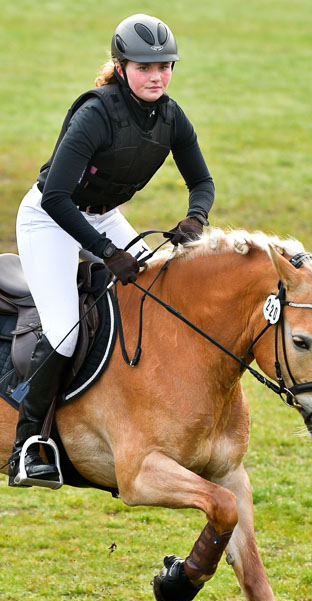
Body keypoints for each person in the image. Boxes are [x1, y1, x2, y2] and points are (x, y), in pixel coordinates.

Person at [9, 13, 215, 487]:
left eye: (165, 66)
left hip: (101, 215)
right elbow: (57, 197)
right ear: (121, 67)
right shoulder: (95, 113)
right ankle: (27, 447)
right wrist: (105, 250)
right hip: (49, 219)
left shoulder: (171, 116)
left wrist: (195, 218)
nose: (157, 76)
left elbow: (201, 181)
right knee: (63, 332)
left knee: (161, 291)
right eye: (145, 67)